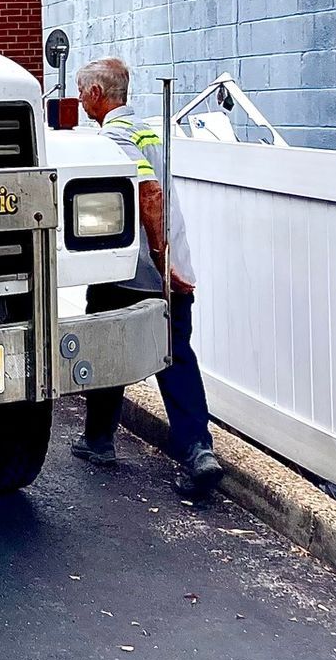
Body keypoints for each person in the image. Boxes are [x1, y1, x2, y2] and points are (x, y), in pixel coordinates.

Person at [69, 57, 225, 498]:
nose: (80, 101)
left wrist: (161, 261)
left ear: (98, 95)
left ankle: (99, 441)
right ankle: (198, 450)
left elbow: (148, 194)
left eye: (83, 93)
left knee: (106, 350)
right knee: (175, 357)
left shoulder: (114, 137)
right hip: (169, 268)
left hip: (133, 271)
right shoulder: (148, 131)